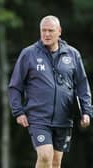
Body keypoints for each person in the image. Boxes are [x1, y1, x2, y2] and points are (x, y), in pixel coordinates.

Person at [8, 15, 92, 168]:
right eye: (43, 30)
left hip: (64, 118)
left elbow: (82, 85)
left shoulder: (72, 54)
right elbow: (15, 86)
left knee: (55, 162)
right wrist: (18, 112)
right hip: (38, 118)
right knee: (45, 156)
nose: (46, 34)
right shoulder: (29, 54)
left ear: (59, 31)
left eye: (50, 30)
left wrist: (86, 111)